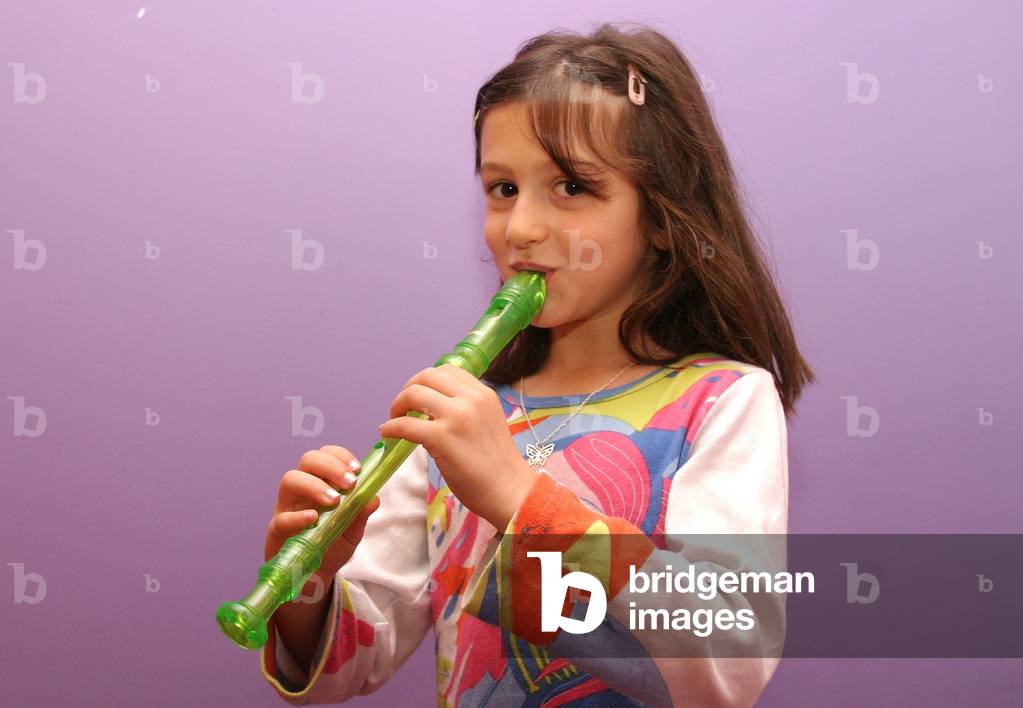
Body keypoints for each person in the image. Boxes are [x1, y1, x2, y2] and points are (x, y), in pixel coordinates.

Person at [260, 21, 814, 707]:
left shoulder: (721, 400)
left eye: (571, 187)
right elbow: (347, 668)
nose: (519, 228)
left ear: (664, 218)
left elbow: (726, 655)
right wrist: (307, 585)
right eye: (502, 189)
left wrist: (519, 498)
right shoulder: (460, 418)